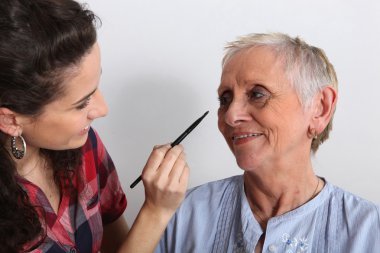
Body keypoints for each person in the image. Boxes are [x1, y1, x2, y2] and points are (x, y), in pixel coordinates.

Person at [155, 33, 380, 253]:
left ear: (320, 108)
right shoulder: (181, 214)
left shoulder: (371, 230)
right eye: (225, 99)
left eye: (257, 94)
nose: (230, 116)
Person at [0, 0, 189, 252]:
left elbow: (118, 243)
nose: (102, 109)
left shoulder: (83, 145)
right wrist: (156, 213)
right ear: (11, 120)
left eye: (96, 86)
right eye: (81, 103)